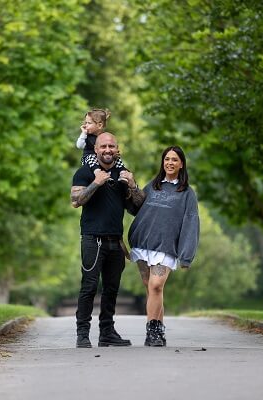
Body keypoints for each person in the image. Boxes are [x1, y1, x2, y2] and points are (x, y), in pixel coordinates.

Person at [71, 132, 144, 348]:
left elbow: (137, 209)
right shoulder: (84, 172)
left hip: (116, 241)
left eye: (112, 146)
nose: (107, 150)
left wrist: (132, 185)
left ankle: (107, 332)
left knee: (111, 289)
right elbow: (76, 200)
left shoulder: (123, 174)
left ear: (117, 149)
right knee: (89, 287)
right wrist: (96, 183)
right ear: (96, 149)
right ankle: (83, 333)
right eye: (103, 146)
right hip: (93, 239)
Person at [128, 146, 200, 347]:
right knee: (151, 290)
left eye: (174, 160)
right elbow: (135, 208)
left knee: (156, 285)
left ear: (181, 164)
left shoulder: (186, 193)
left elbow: (191, 222)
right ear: (163, 162)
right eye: (167, 159)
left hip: (166, 247)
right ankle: (158, 331)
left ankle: (152, 332)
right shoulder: (153, 186)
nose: (170, 162)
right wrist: (131, 188)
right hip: (143, 245)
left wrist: (186, 255)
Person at [76, 108, 127, 180]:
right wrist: (83, 133)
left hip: (102, 158)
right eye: (86, 123)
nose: (86, 125)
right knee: (91, 157)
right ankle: (99, 174)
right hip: (89, 159)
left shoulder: (104, 137)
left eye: (89, 123)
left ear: (99, 125)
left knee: (117, 158)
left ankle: (122, 174)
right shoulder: (87, 136)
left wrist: (115, 153)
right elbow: (79, 146)